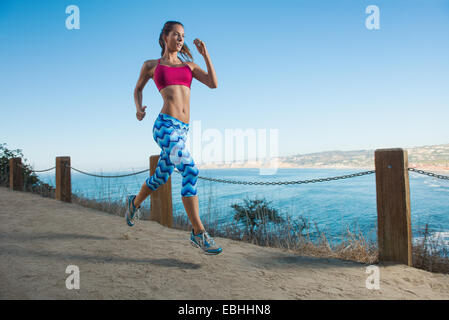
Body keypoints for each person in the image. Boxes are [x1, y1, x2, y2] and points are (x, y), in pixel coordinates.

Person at [127, 21, 222, 255]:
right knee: (190, 169)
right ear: (164, 36)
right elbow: (137, 89)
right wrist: (139, 109)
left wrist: (205, 54)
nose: (180, 39)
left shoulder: (189, 66)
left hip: (183, 130)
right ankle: (198, 232)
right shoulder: (151, 65)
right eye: (176, 35)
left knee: (160, 177)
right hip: (164, 126)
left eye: (183, 36)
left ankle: (134, 203)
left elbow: (213, 83)